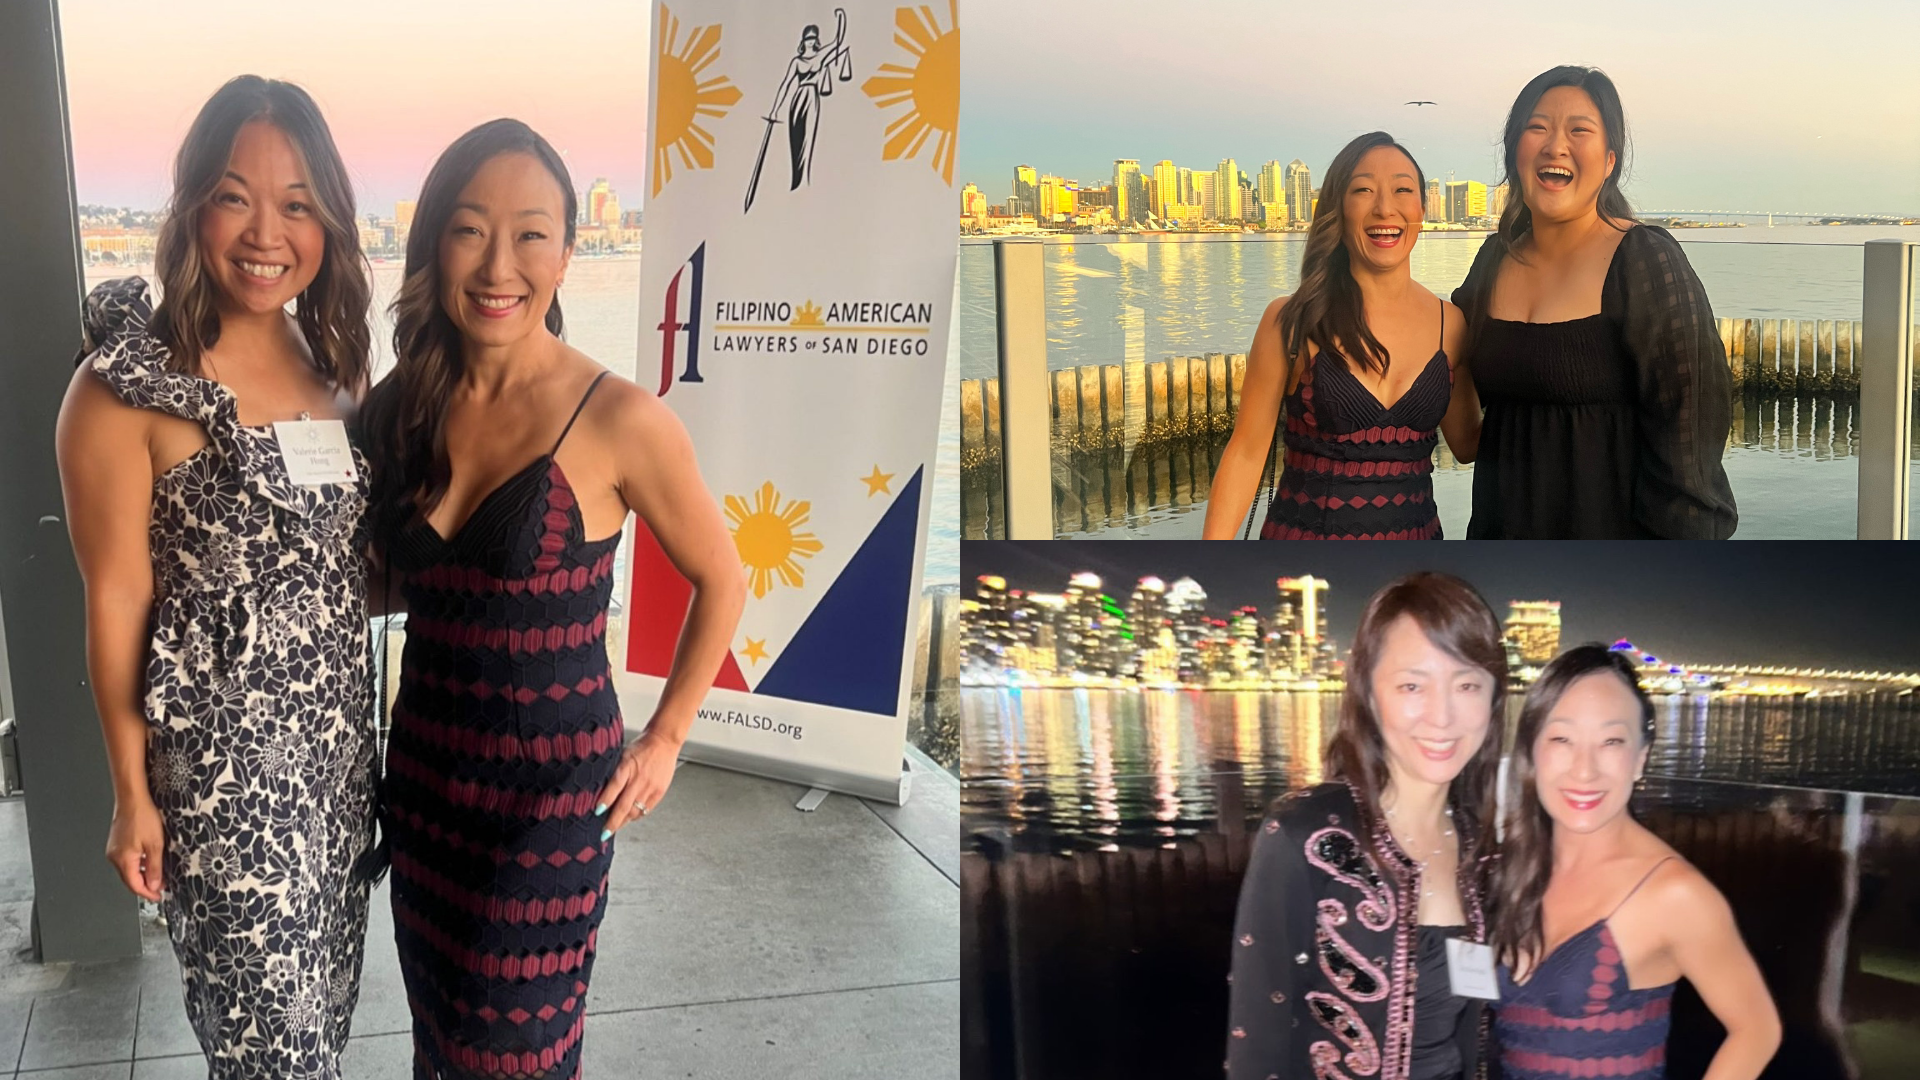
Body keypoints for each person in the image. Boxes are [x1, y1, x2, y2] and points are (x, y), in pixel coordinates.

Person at [360, 118, 746, 1080]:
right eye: (469, 229)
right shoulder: (401, 404)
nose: (500, 263)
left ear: (567, 253)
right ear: (433, 245)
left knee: (514, 1058)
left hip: (548, 805)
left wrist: (665, 737)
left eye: (530, 233)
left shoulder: (618, 417)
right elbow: (375, 582)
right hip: (427, 783)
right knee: (440, 1043)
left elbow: (723, 578)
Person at [56, 76, 377, 1078]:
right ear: (193, 202)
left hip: (337, 771)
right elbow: (114, 599)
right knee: (266, 1053)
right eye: (235, 195)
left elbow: (336, 570)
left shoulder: (336, 366)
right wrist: (129, 795)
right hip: (225, 788)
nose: (265, 232)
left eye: (298, 204)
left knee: (319, 1029)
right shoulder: (124, 390)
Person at [1226, 572, 1508, 1080]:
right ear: (1370, 695)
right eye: (1411, 685)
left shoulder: (1482, 852)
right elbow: (1255, 1041)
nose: (1442, 716)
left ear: (1493, 699)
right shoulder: (1307, 836)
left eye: (1466, 684)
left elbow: (1475, 1020)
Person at [1449, 66, 1737, 538]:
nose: (1555, 145)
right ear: (1514, 153)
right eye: (1537, 127)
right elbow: (1447, 351)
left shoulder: (1645, 261)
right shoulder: (1493, 259)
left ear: (1608, 160)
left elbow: (1691, 437)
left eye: (1578, 130)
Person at [1490, 645, 1780, 1079]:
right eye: (1562, 739)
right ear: (1532, 753)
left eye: (1611, 741)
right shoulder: (1515, 868)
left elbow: (1757, 1030)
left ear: (1640, 758)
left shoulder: (1673, 893)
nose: (1584, 770)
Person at [1203, 131, 1481, 540]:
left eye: (1403, 190)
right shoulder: (1293, 319)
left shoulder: (1450, 324)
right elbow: (1245, 452)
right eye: (1363, 190)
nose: (1385, 208)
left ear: (1422, 208)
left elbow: (1468, 444)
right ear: (1338, 208)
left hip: (1416, 571)